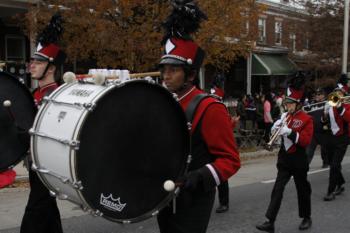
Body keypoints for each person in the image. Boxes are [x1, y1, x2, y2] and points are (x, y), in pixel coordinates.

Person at [157, 1, 241, 232]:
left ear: (191, 74)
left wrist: (199, 177)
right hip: (164, 195)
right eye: (164, 70)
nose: (166, 75)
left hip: (193, 199)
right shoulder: (164, 102)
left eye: (173, 70)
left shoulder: (209, 107)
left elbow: (231, 160)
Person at [20, 14, 66, 233]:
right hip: (34, 164)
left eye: (38, 62)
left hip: (49, 164)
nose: (32, 66)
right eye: (32, 61)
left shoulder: (60, 96)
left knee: (34, 215)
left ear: (51, 68)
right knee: (47, 212)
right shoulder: (33, 94)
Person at [256, 73, 313, 232]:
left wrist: (290, 132)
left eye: (289, 103)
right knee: (277, 189)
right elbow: (278, 139)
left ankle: (306, 217)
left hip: (299, 159)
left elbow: (305, 141)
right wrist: (275, 129)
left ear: (298, 103)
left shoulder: (306, 119)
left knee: (302, 189)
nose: (286, 106)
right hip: (285, 159)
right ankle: (270, 221)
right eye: (286, 103)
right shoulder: (285, 116)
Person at [321, 74, 350, 201]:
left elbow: (348, 118)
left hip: (342, 138)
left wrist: (340, 107)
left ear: (344, 94)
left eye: (339, 93)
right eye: (335, 92)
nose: (337, 95)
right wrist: (325, 114)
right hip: (330, 136)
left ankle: (330, 191)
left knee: (334, 165)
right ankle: (341, 183)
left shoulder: (347, 105)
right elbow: (325, 122)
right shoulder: (330, 104)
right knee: (333, 163)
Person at [304, 87, 329, 167]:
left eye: (319, 94)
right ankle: (305, 165)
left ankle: (326, 163)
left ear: (323, 96)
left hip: (323, 131)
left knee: (325, 150)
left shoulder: (327, 104)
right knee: (309, 150)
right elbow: (306, 115)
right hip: (313, 131)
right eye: (316, 94)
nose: (317, 96)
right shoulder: (311, 105)